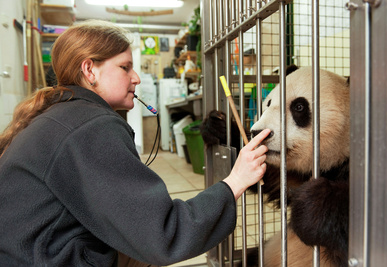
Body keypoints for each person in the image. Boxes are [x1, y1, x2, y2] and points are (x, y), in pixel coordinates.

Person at [0, 20, 270, 267]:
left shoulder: (64, 113)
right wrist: (235, 181)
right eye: (125, 67)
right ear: (89, 69)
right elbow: (164, 235)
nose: (136, 78)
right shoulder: (91, 125)